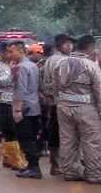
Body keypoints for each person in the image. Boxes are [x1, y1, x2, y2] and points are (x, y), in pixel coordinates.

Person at [54, 35, 101, 183]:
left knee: (67, 140)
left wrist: (60, 102)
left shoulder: (60, 63)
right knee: (91, 141)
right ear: (90, 47)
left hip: (63, 107)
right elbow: (99, 89)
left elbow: (54, 87)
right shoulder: (91, 65)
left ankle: (70, 172)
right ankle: (93, 174)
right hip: (86, 108)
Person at [11, 40, 44, 179]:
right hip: (34, 106)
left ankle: (34, 167)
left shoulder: (22, 67)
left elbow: (20, 90)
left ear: (20, 51)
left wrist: (18, 110)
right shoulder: (33, 66)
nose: (10, 54)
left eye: (12, 51)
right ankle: (32, 166)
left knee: (25, 138)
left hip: (25, 108)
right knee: (31, 137)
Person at [39, 36, 72, 176]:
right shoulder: (62, 60)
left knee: (55, 133)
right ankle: (61, 165)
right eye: (67, 44)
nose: (70, 47)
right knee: (64, 135)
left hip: (53, 103)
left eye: (71, 44)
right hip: (61, 103)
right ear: (59, 45)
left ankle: (56, 164)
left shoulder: (50, 60)